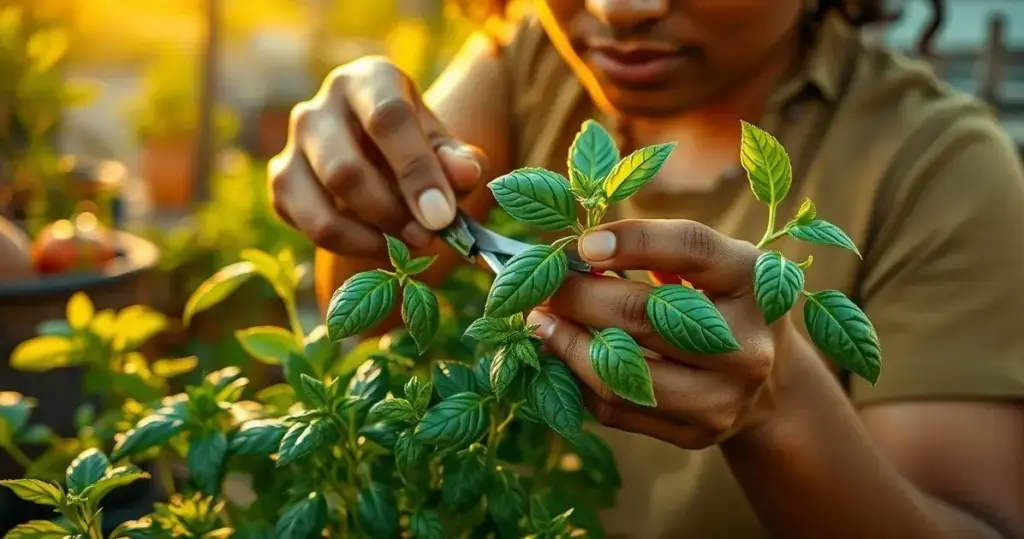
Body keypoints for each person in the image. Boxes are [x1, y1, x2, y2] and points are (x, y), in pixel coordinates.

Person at [268, 0, 1024, 537]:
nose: (619, 7)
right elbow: (378, 308)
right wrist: (364, 173)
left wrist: (782, 406)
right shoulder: (526, 59)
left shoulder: (941, 168)